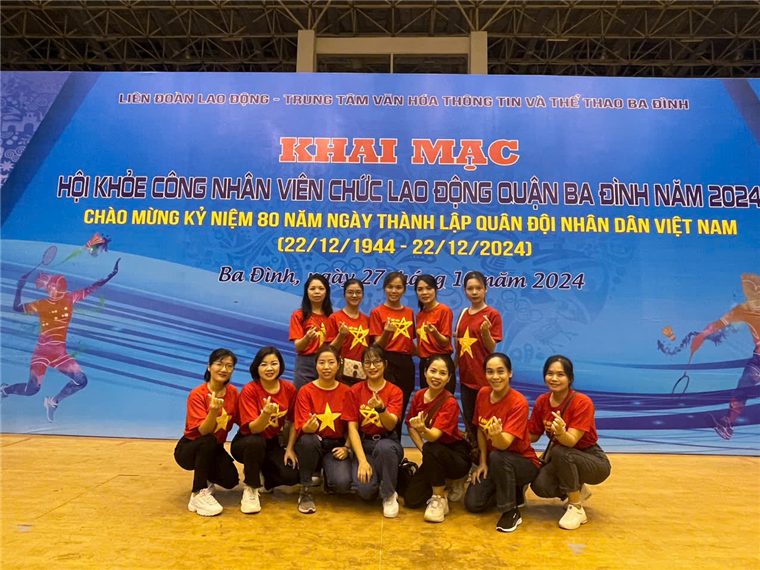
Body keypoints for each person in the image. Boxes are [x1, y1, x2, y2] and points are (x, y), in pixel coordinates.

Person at [1, 260, 120, 421]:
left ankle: (53, 402)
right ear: (50, 289)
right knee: (32, 390)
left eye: (61, 288)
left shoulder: (69, 298)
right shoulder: (41, 304)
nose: (58, 291)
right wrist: (19, 287)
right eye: (56, 288)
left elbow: (92, 288)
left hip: (59, 354)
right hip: (42, 353)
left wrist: (110, 275)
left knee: (81, 381)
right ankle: (5, 390)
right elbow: (17, 308)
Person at [529, 355, 611, 530]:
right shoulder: (542, 401)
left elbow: (571, 441)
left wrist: (560, 433)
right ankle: (578, 488)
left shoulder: (582, 402)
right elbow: (533, 435)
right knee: (540, 485)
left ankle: (576, 508)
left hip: (592, 459)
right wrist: (507, 432)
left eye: (560, 374)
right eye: (550, 373)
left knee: (561, 451)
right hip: (563, 457)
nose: (554, 378)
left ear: (570, 378)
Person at [464, 353, 540, 533]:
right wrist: (482, 463)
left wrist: (496, 435)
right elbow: (480, 430)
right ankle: (513, 491)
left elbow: (503, 445)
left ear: (510, 373)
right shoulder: (483, 394)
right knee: (473, 503)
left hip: (524, 463)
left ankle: (510, 511)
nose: (495, 377)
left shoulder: (519, 403)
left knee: (499, 455)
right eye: (490, 372)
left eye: (500, 371)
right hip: (495, 462)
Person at [690, 273, 760, 439]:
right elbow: (717, 325)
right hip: (758, 359)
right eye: (746, 291)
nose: (748, 294)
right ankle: (727, 423)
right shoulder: (744, 309)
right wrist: (702, 335)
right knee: (743, 386)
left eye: (751, 290)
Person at [231, 346, 299, 514]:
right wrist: (266, 414)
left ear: (280, 365)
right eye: (263, 364)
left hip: (271, 442)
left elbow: (294, 421)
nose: (269, 368)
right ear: (256, 367)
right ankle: (251, 488)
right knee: (256, 442)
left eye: (274, 363)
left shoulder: (289, 389)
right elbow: (253, 429)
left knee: (292, 477)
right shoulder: (250, 390)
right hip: (247, 441)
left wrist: (290, 448)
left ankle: (261, 474)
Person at [403, 355, 471, 523]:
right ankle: (444, 483)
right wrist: (423, 449)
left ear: (448, 378)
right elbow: (410, 425)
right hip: (433, 453)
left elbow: (433, 436)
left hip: (456, 455)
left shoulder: (450, 402)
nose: (436, 376)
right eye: (433, 371)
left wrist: (423, 429)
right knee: (412, 501)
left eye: (442, 373)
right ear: (425, 372)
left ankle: (439, 498)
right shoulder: (419, 396)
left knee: (432, 447)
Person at [173, 349, 240, 517]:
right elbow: (203, 431)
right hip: (190, 448)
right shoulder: (197, 394)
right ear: (209, 367)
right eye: (219, 364)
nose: (224, 369)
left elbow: (241, 419)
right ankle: (197, 493)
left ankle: (207, 479)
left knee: (231, 480)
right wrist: (213, 411)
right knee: (208, 439)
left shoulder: (233, 392)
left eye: (229, 366)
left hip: (215, 447)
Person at [344, 344, 405, 518]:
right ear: (362, 365)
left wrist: (381, 409)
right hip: (364, 444)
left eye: (377, 362)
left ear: (385, 364)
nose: (372, 367)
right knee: (365, 491)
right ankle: (382, 477)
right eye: (367, 362)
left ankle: (389, 494)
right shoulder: (354, 391)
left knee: (384, 448)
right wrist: (362, 461)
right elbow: (352, 428)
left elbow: (390, 425)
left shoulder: (395, 391)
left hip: (388, 442)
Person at [294, 345, 353, 514]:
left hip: (336, 445)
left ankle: (328, 476)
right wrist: (308, 427)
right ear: (316, 365)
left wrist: (346, 448)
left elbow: (352, 426)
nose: (326, 367)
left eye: (331, 362)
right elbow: (300, 426)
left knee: (342, 484)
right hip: (313, 443)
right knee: (308, 440)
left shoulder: (347, 391)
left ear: (338, 365)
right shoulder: (306, 391)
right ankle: (306, 490)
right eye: (321, 362)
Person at [455, 270, 503, 426]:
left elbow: (491, 348)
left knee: (484, 423)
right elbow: (459, 346)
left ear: (485, 289)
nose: (474, 292)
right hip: (465, 378)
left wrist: (485, 333)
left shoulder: (493, 314)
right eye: (470, 288)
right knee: (469, 422)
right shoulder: (463, 313)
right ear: (465, 291)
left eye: (478, 288)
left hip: (484, 379)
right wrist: (452, 369)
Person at [369, 271, 416, 429]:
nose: (394, 291)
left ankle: (396, 442)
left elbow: (410, 343)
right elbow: (377, 345)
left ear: (404, 290)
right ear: (384, 289)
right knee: (386, 406)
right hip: (387, 362)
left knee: (401, 408)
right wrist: (387, 332)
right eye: (390, 287)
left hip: (406, 364)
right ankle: (385, 440)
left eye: (398, 287)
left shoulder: (409, 312)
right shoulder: (377, 312)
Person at [290, 274, 333, 389]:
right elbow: (298, 346)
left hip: (327, 363)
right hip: (305, 365)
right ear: (306, 292)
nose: (317, 292)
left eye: (321, 288)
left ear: (327, 292)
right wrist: (307, 338)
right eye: (312, 288)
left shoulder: (332, 317)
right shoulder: (298, 315)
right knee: (302, 397)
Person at [414, 274, 455, 392]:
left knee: (444, 400)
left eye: (428, 288)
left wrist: (435, 333)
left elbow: (445, 342)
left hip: (441, 363)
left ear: (435, 290)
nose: (424, 292)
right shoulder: (420, 315)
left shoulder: (444, 310)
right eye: (420, 289)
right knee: (426, 399)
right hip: (425, 364)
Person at [327, 278, 371, 385]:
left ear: (363, 295)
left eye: (358, 292)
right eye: (350, 292)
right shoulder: (335, 318)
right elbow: (329, 350)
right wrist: (341, 336)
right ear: (344, 295)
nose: (354, 295)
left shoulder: (368, 320)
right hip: (340, 374)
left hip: (362, 373)